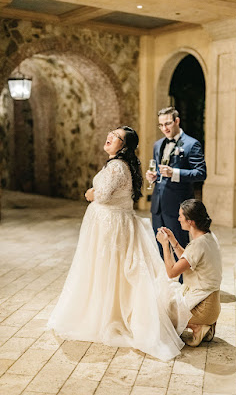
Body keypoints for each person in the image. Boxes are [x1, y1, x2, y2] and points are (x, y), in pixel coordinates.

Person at [47, 126, 191, 361]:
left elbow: (102, 195)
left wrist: (90, 193)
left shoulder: (116, 167)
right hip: (115, 222)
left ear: (123, 146)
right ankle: (108, 309)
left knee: (106, 269)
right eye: (111, 133)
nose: (110, 137)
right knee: (112, 270)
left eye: (116, 137)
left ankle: (106, 315)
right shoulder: (122, 164)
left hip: (110, 225)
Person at [146, 107, 207, 268]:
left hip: (178, 207)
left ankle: (182, 285)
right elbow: (160, 172)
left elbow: (201, 173)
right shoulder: (157, 145)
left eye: (168, 124)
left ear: (177, 121)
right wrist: (153, 177)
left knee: (179, 245)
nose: (164, 128)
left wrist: (175, 173)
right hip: (158, 205)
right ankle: (166, 283)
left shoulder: (191, 144)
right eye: (161, 125)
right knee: (160, 246)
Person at [156, 199, 222, 346]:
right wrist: (174, 241)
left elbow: (172, 272)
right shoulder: (208, 237)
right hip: (211, 304)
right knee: (164, 302)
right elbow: (189, 259)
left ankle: (198, 325)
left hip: (203, 308)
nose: (178, 219)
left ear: (190, 221)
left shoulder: (198, 245)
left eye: (181, 216)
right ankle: (204, 324)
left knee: (160, 314)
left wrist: (165, 245)